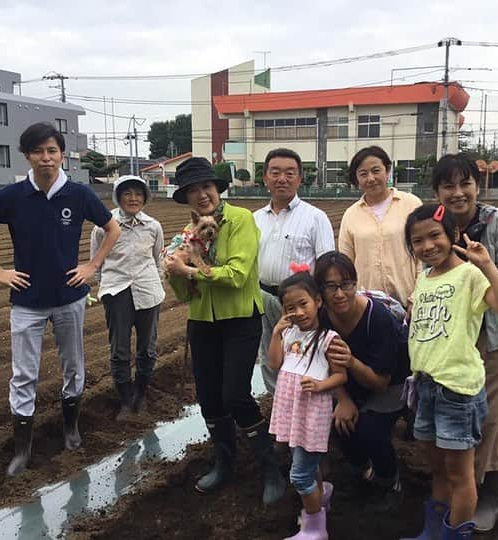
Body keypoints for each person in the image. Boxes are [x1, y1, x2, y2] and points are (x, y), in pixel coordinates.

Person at [0, 122, 121, 477]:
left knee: (73, 364)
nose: (46, 158)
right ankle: (23, 449)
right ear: (27, 156)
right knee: (23, 373)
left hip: (70, 297)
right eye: (38, 151)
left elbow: (111, 227)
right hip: (27, 300)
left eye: (52, 151)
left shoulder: (79, 194)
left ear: (62, 155)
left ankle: (70, 428)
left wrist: (93, 265)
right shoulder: (13, 196)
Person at [162, 156, 286, 505]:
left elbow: (236, 275)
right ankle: (224, 463)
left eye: (206, 186)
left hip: (240, 320)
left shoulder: (241, 220)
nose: (202, 195)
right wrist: (175, 270)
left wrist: (190, 271)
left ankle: (270, 468)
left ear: (217, 189)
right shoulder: (189, 234)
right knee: (209, 397)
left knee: (235, 394)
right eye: (192, 191)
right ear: (186, 198)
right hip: (202, 322)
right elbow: (187, 295)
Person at [401, 204, 498, 540]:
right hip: (425, 386)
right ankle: (432, 532)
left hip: (456, 391)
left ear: (453, 235)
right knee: (437, 470)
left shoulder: (470, 275)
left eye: (434, 236)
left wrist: (486, 265)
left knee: (460, 475)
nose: (427, 246)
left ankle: (454, 536)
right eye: (417, 241)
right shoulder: (423, 277)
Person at [432, 153, 498, 532]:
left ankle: (487, 493)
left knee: (491, 415)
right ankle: (463, 487)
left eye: (465, 184)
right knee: (462, 412)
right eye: (448, 186)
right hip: (457, 337)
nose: (457, 193)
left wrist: (474, 273)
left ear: (477, 185)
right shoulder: (437, 225)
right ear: (437, 191)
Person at [313, 251, 410, 509]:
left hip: (391, 382)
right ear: (320, 291)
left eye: (346, 284)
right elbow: (322, 365)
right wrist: (343, 400)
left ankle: (389, 479)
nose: (339, 294)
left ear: (355, 283)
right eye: (330, 287)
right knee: (338, 422)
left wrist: (350, 361)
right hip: (349, 382)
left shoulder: (377, 318)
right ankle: (362, 470)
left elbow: (380, 383)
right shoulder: (321, 317)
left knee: (370, 429)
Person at [268, 267, 347, 539]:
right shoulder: (289, 334)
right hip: (292, 412)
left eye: (303, 304)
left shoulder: (328, 338)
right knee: (302, 463)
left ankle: (315, 529)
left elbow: (340, 376)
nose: (298, 312)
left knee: (299, 476)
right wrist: (277, 333)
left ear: (318, 301)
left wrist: (320, 385)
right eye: (290, 308)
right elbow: (274, 363)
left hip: (311, 414)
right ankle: (321, 496)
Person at [254, 148, 335, 394]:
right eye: (275, 172)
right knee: (270, 352)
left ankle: (305, 403)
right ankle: (276, 401)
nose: (282, 178)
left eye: (290, 173)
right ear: (265, 178)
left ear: (300, 178)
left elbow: (326, 263)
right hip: (262, 296)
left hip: (298, 303)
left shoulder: (315, 218)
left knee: (303, 354)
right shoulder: (255, 218)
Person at [90, 175, 165, 420]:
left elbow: (157, 260)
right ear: (118, 197)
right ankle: (125, 399)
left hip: (148, 291)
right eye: (127, 194)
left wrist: (157, 284)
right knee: (119, 350)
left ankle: (141, 395)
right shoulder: (103, 226)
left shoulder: (153, 226)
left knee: (147, 349)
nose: (133, 198)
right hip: (117, 291)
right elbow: (97, 262)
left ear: (145, 198)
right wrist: (105, 288)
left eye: (138, 194)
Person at [338, 146, 422, 309]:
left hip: (410, 302)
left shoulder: (411, 204)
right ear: (356, 179)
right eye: (363, 174)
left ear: (387, 170)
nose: (370, 178)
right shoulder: (350, 215)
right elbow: (346, 264)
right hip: (368, 307)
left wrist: (416, 298)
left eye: (376, 170)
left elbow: (423, 258)